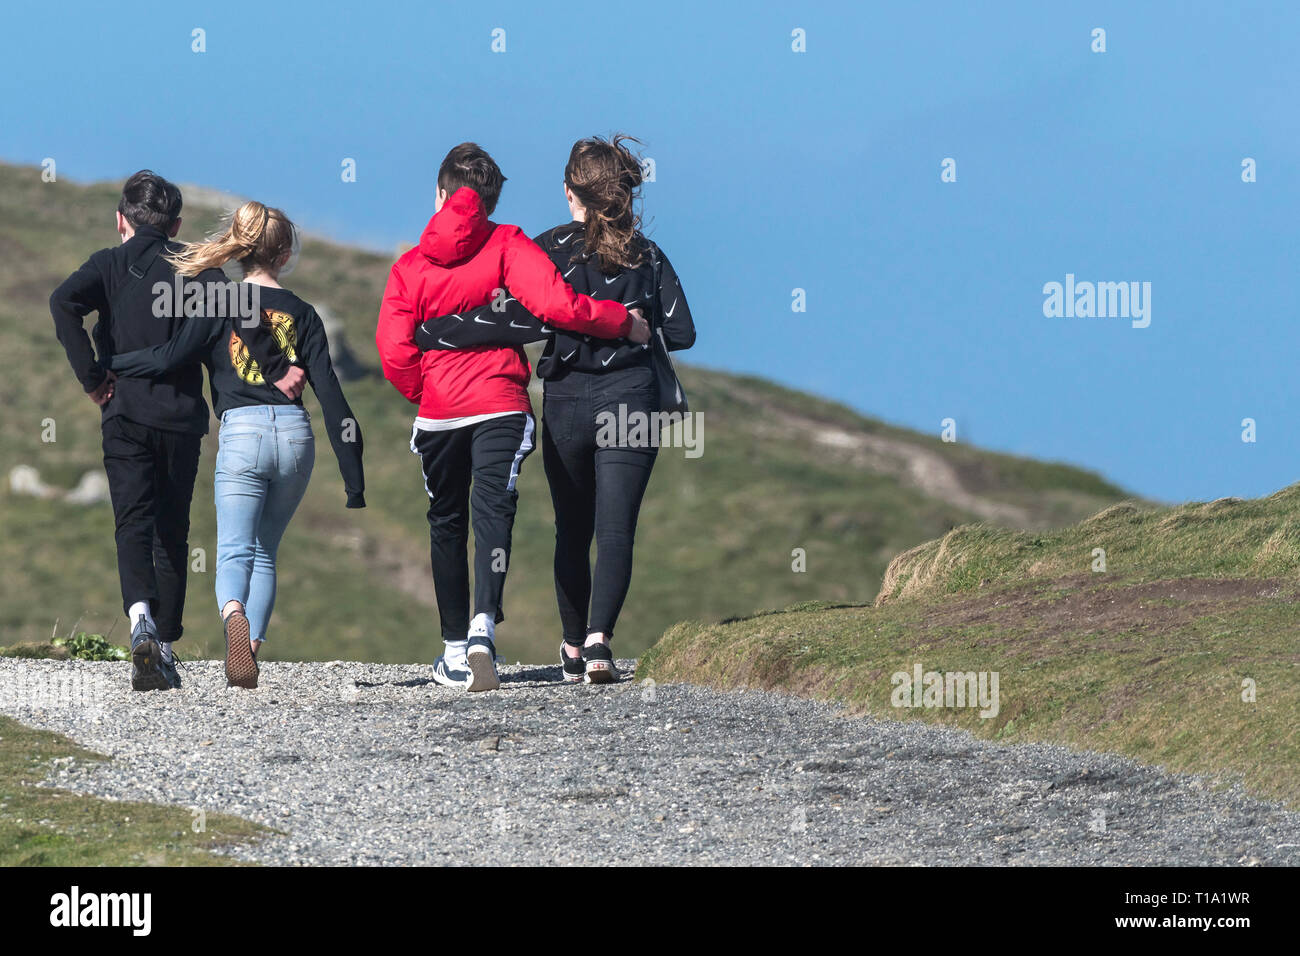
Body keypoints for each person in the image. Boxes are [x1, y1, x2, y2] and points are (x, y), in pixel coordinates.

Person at [414, 135, 696, 683]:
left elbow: (514, 316)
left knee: (572, 526)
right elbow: (682, 332)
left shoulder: (545, 249)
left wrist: (437, 333)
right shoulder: (649, 255)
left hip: (567, 399)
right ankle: (597, 645)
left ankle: (568, 646)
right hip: (633, 397)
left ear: (570, 192)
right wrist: (634, 321)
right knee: (616, 530)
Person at [50, 171, 303, 692]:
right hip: (183, 422)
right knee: (172, 531)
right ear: (177, 224)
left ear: (120, 219)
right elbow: (241, 318)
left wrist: (94, 377)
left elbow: (62, 304)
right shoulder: (201, 269)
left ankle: (140, 617)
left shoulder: (108, 264)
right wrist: (279, 371)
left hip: (123, 414)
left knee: (131, 521)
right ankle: (164, 643)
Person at [106, 201, 365, 688]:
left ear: (239, 249)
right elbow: (332, 394)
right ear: (285, 255)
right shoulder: (305, 315)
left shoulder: (216, 305)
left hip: (242, 432)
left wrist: (115, 364)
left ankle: (232, 615)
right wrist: (353, 476)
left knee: (234, 550)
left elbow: (167, 357)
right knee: (265, 551)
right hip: (294, 435)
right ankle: (248, 651)